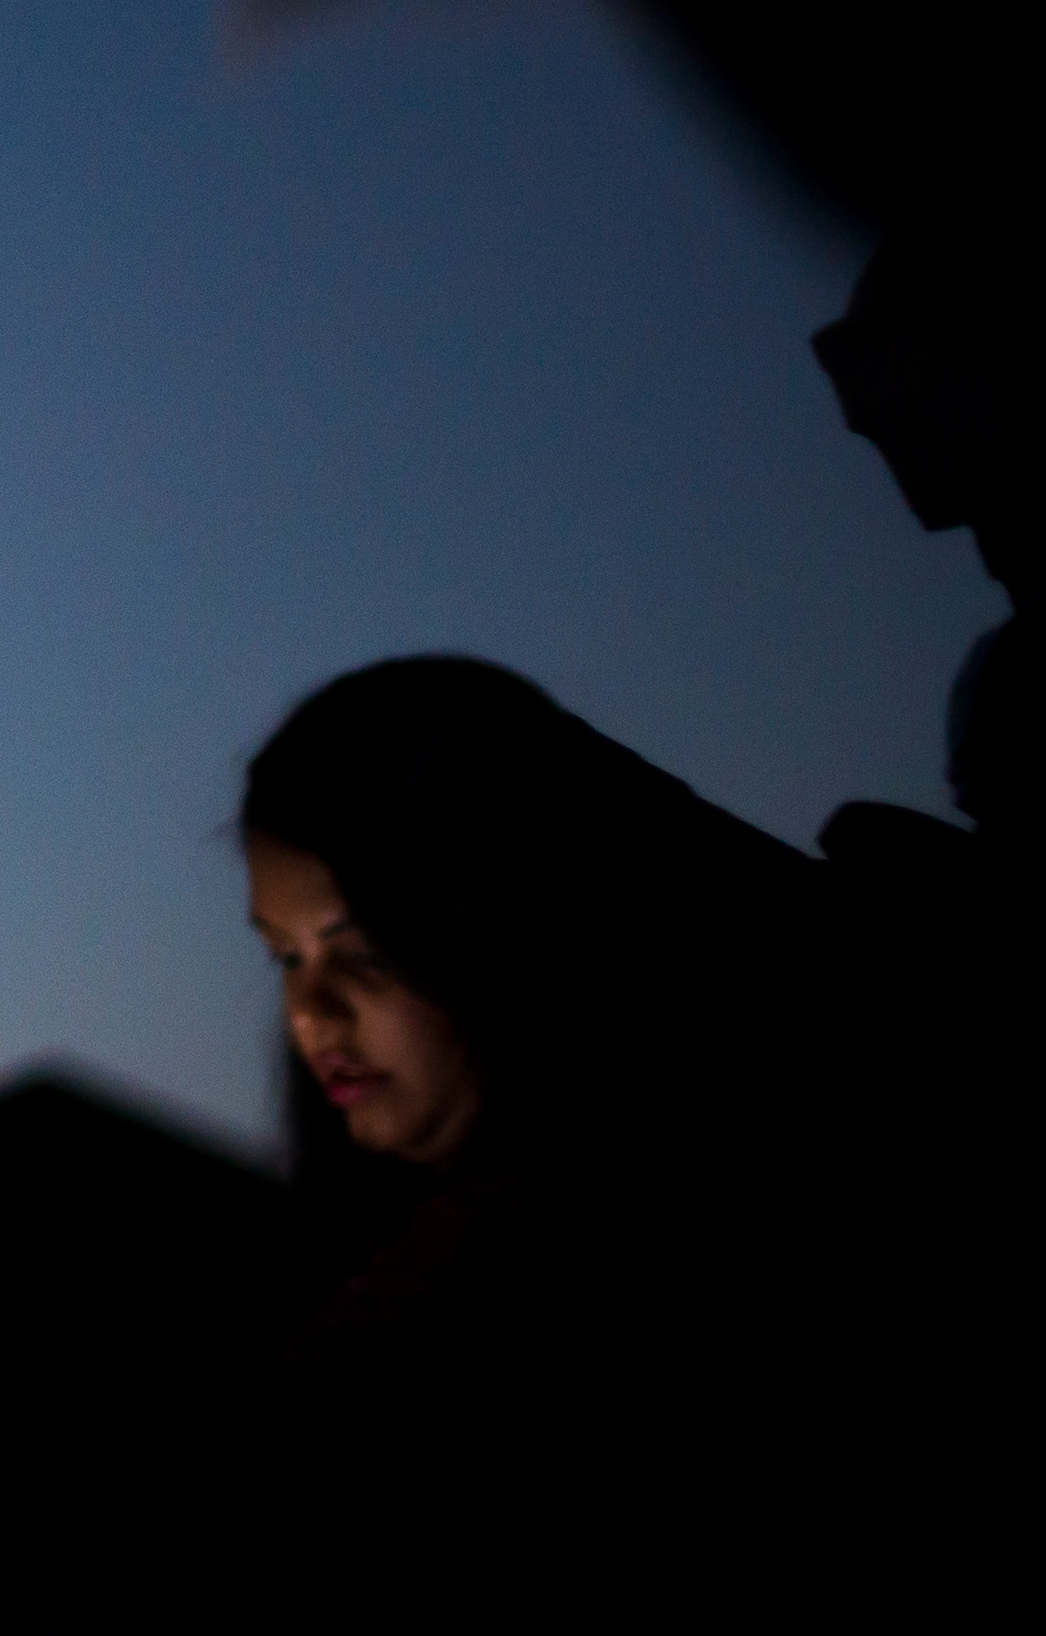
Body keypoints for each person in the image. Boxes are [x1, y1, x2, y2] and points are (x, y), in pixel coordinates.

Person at [233, 658, 879, 1631]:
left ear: (516, 916)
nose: (311, 1010)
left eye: (362, 945)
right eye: (285, 954)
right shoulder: (367, 1296)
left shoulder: (742, 1235)